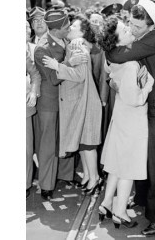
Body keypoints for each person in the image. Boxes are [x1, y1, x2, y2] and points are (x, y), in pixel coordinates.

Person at [105, 0, 155, 236]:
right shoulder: (145, 37)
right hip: (151, 107)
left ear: (150, 24)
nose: (133, 30)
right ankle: (144, 204)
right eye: (131, 25)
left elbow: (116, 56)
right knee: (147, 160)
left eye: (137, 26)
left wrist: (109, 42)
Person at [96, 16, 154, 228]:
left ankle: (107, 203)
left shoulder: (113, 58)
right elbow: (136, 99)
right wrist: (149, 84)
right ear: (117, 39)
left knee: (117, 162)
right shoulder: (129, 64)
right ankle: (120, 212)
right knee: (129, 166)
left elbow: (112, 79)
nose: (129, 29)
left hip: (121, 114)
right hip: (132, 118)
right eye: (124, 29)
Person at [43, 14, 102, 196]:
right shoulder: (75, 45)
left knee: (88, 144)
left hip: (85, 101)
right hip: (81, 101)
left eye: (74, 27)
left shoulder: (78, 45)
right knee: (84, 143)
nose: (70, 29)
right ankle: (88, 176)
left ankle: (94, 178)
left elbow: (79, 76)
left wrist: (57, 66)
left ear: (82, 32)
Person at [34, 10, 71, 200]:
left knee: (65, 138)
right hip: (50, 102)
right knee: (48, 144)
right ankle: (47, 184)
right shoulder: (42, 49)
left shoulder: (68, 42)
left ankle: (65, 175)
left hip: (67, 100)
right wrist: (69, 62)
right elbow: (54, 78)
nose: (70, 29)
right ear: (56, 30)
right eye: (66, 27)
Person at [26, 21, 41, 199]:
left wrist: (33, 91)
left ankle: (26, 184)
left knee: (26, 150)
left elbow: (35, 74)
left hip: (25, 109)